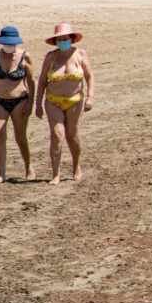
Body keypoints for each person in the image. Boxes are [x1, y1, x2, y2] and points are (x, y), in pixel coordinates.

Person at [35, 22, 93, 184]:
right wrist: (38, 104)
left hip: (75, 101)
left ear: (71, 38)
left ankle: (76, 166)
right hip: (53, 101)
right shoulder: (51, 57)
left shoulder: (80, 54)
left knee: (72, 135)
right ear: (55, 41)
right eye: (59, 39)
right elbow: (41, 81)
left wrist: (90, 97)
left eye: (65, 38)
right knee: (57, 135)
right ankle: (55, 173)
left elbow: (89, 76)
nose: (62, 41)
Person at [0, 26, 34, 183]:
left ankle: (28, 166)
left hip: (20, 100)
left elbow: (31, 81)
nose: (9, 46)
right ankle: (1, 174)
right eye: (6, 43)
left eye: (11, 44)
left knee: (20, 136)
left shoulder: (25, 56)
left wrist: (31, 103)